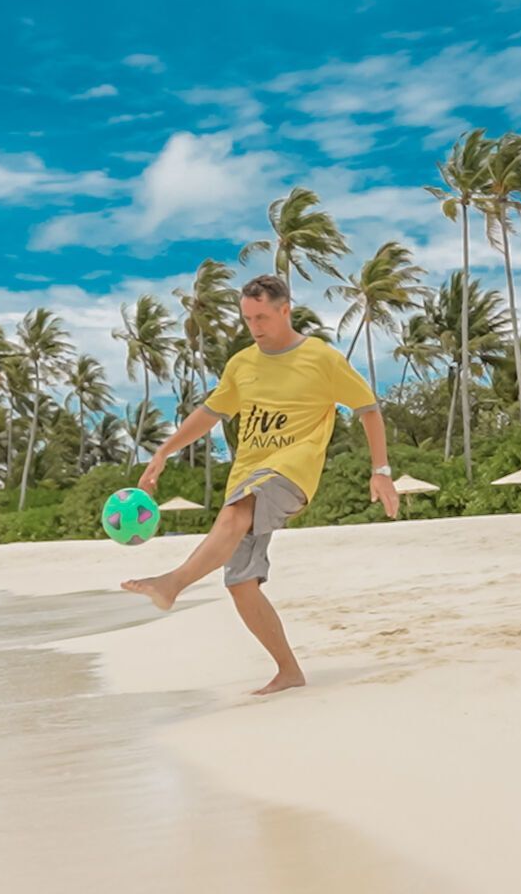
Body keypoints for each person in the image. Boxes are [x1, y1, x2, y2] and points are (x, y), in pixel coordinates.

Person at [121, 273, 399, 694]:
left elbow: (368, 409)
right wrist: (163, 451)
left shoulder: (321, 359)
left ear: (285, 310)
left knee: (236, 511)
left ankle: (171, 584)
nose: (255, 327)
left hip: (292, 471)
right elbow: (211, 413)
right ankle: (289, 671)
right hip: (247, 472)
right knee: (241, 584)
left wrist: (381, 472)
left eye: (263, 317)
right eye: (248, 318)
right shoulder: (242, 364)